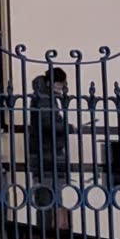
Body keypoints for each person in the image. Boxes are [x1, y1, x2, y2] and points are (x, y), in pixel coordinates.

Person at [26, 66, 71, 216]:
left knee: (49, 196)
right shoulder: (44, 98)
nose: (63, 88)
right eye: (61, 84)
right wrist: (67, 127)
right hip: (46, 153)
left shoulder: (45, 97)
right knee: (48, 197)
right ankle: (47, 228)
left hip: (47, 152)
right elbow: (47, 123)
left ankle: (48, 226)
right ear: (51, 83)